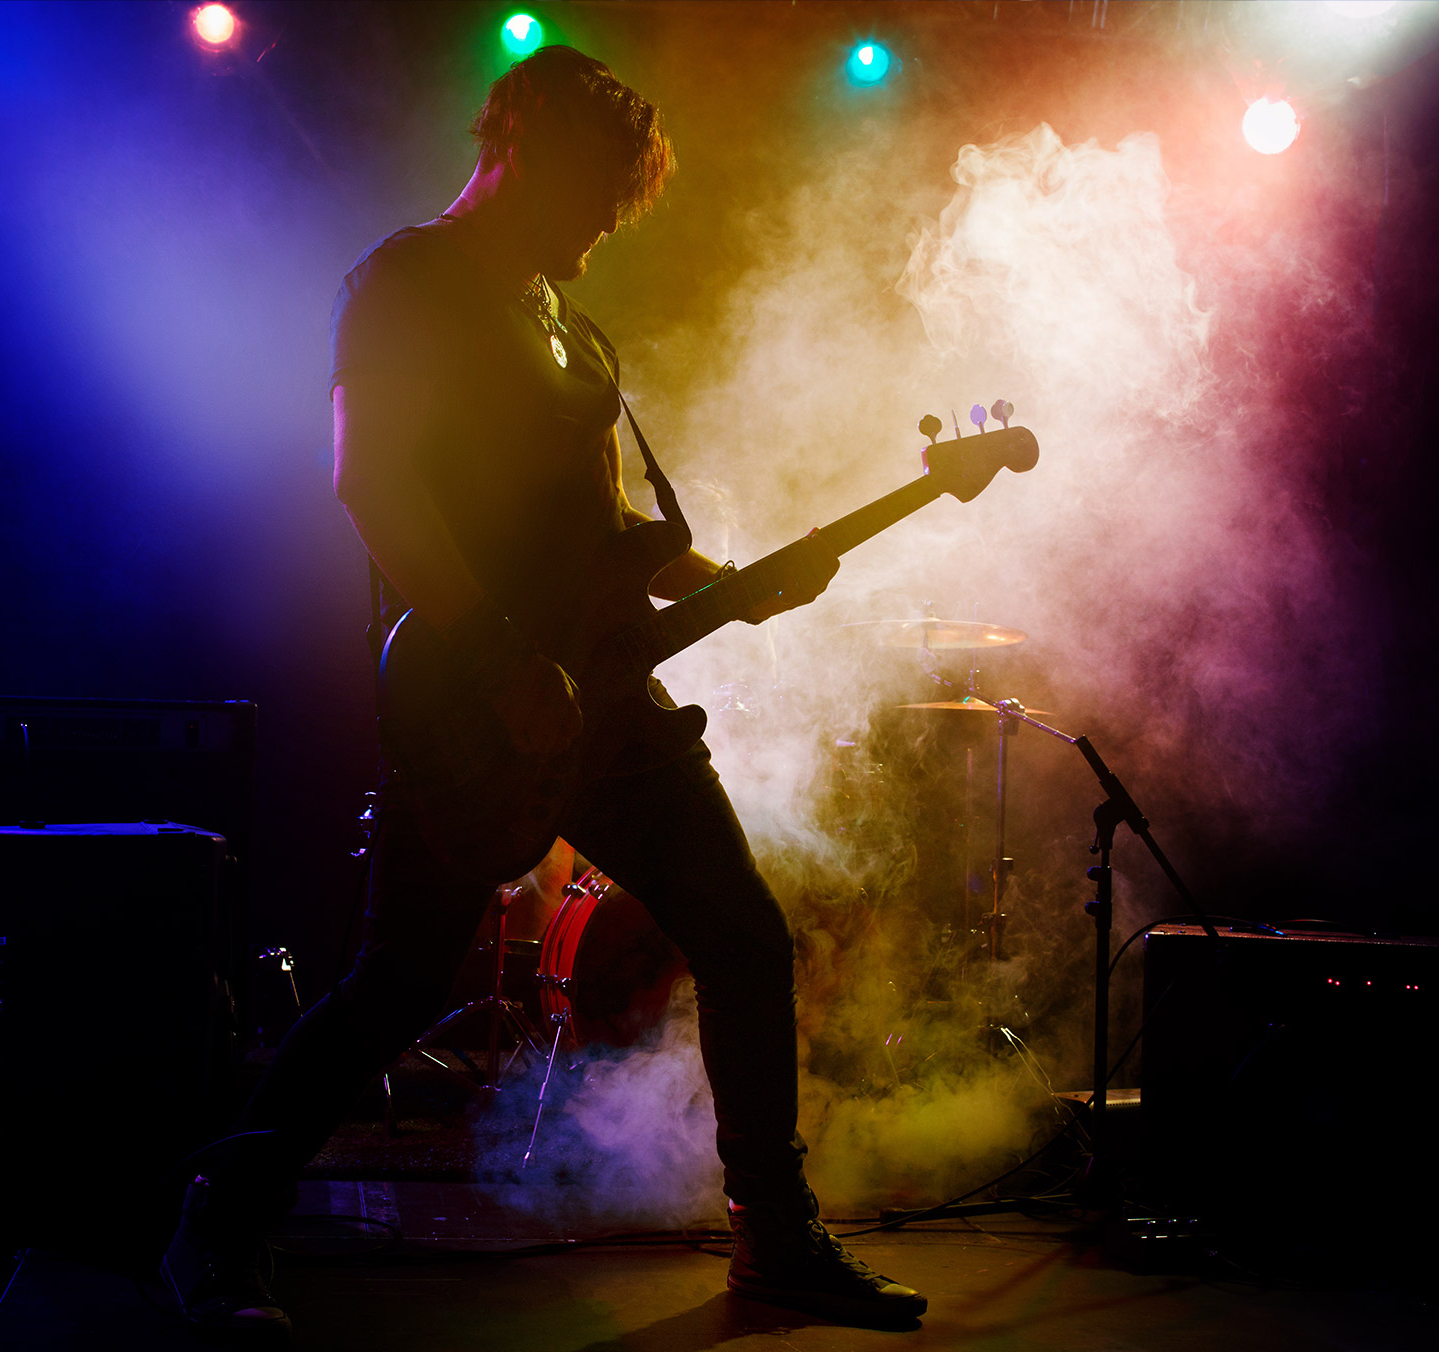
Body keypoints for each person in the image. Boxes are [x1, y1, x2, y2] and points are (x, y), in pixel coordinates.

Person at [159, 46, 922, 1340]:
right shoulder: (408, 282)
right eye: (595, 199)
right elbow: (374, 486)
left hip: (613, 698)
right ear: (520, 156)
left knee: (741, 932)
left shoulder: (569, 320)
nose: (604, 230)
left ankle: (775, 1239)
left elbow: (613, 525)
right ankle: (217, 1227)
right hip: (474, 696)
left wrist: (733, 576)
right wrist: (505, 658)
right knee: (394, 985)